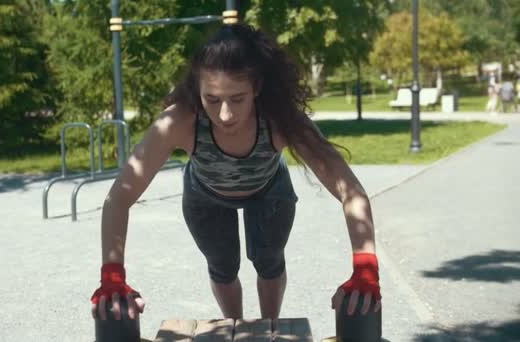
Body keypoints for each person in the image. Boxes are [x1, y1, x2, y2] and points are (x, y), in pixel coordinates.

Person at [90, 23, 381, 324]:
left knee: (269, 261)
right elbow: (119, 197)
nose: (225, 114)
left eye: (237, 99)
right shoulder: (179, 121)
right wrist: (112, 276)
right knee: (222, 265)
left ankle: (270, 327)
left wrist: (366, 269)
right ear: (198, 89)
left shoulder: (280, 119)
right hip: (205, 195)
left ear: (256, 87)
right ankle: (236, 327)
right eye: (212, 99)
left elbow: (351, 191)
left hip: (269, 190)